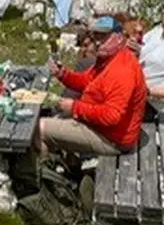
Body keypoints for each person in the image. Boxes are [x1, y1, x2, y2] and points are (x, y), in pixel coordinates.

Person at [35, 16, 148, 163]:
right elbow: (87, 81)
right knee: (52, 121)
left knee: (37, 128)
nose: (98, 41)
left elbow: (112, 116)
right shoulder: (108, 58)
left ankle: (46, 180)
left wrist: (75, 108)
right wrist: (63, 74)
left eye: (104, 36)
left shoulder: (123, 70)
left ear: (120, 38)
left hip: (112, 140)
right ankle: (62, 166)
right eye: (96, 36)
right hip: (101, 128)